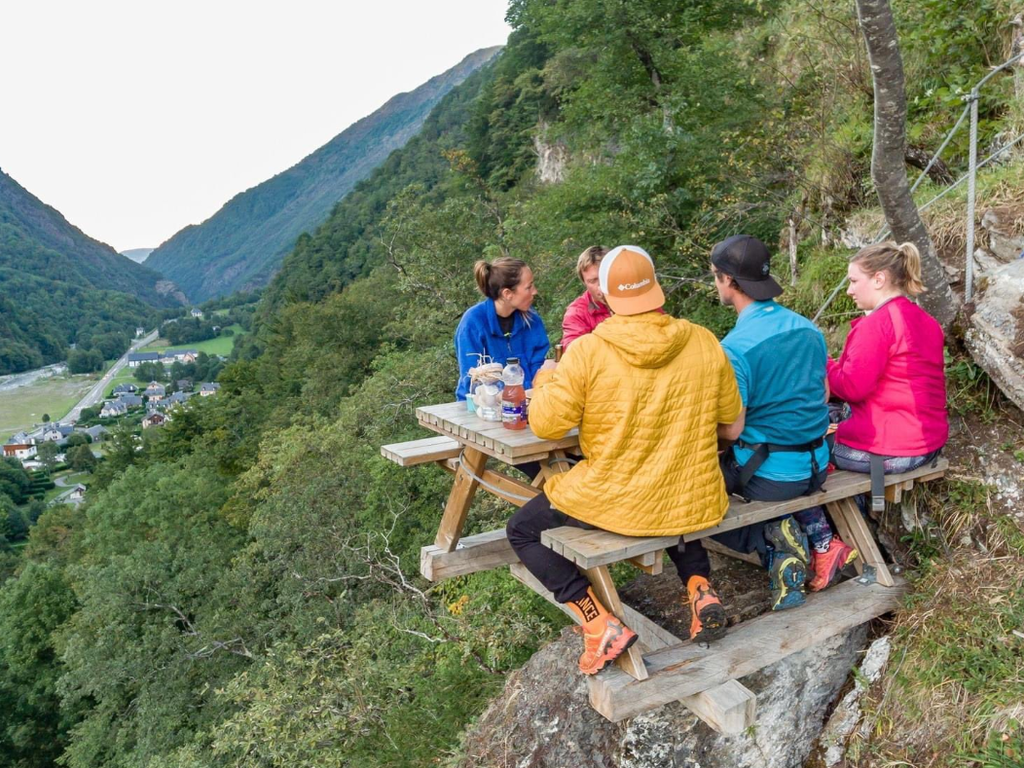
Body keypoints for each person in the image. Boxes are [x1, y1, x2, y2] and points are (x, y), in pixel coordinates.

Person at [507, 245, 745, 673]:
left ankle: (597, 622)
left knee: (522, 530)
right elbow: (731, 424)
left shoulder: (588, 351)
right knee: (675, 486)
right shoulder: (704, 340)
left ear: (610, 297)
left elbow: (546, 425)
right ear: (657, 289)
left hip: (619, 500)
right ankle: (700, 589)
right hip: (693, 494)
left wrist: (544, 380)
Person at [699, 235, 858, 603]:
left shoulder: (735, 348)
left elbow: (733, 429)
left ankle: (776, 540)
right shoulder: (809, 329)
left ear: (728, 280)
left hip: (769, 477)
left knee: (690, 488)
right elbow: (822, 395)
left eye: (715, 276)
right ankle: (815, 538)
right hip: (818, 465)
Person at [827, 242, 947, 507]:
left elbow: (851, 388)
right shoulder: (926, 320)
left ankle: (820, 532)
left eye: (854, 280)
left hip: (896, 450)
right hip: (930, 442)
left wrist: (823, 363)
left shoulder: (877, 325)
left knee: (801, 448)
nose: (849, 290)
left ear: (879, 279)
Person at [454, 257, 550, 401]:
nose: (535, 291)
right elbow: (472, 379)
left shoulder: (532, 320)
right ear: (507, 294)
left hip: (527, 404)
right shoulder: (473, 323)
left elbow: (538, 366)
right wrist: (505, 399)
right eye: (529, 287)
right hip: (481, 407)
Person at [561, 246, 611, 348]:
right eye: (593, 281)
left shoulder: (639, 298)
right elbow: (573, 352)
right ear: (584, 283)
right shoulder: (576, 313)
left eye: (605, 277)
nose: (601, 286)